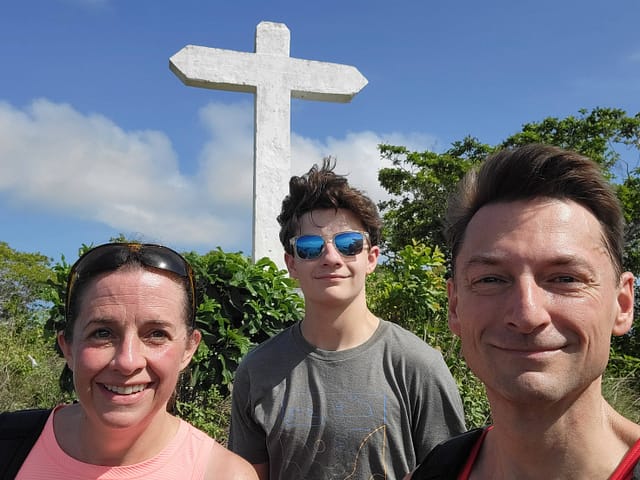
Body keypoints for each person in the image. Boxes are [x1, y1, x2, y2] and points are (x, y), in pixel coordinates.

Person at [407, 144, 640, 479]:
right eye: (491, 279)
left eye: (565, 278)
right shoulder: (433, 472)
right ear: (455, 306)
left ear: (622, 305)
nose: (527, 314)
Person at [229, 159, 466, 480]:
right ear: (292, 263)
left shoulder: (418, 366)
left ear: (371, 258)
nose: (331, 257)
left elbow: (452, 472)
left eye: (348, 244)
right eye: (310, 247)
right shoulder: (257, 370)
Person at [7, 242, 258, 479]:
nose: (127, 362)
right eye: (102, 333)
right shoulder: (9, 444)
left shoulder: (224, 474)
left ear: (189, 349)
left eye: (157, 334)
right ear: (68, 347)